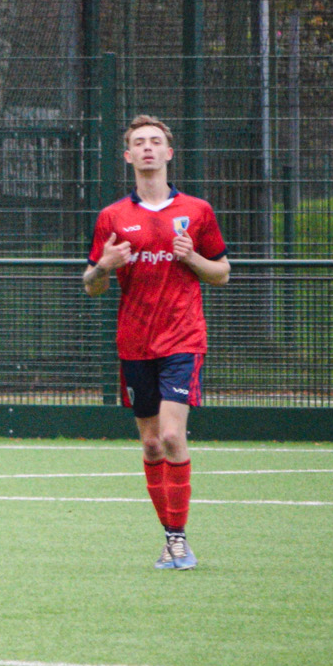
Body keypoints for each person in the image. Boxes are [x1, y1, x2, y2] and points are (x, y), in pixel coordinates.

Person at [83, 115, 231, 571]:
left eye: (155, 141)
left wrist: (194, 258)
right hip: (134, 342)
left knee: (170, 435)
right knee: (150, 446)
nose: (148, 148)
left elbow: (222, 273)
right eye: (139, 142)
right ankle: (170, 537)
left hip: (183, 337)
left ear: (169, 153)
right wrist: (105, 265)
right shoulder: (113, 217)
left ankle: (179, 540)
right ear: (128, 156)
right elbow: (91, 285)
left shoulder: (198, 210)